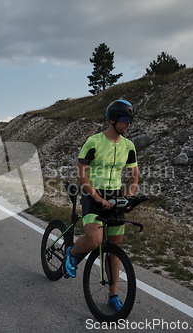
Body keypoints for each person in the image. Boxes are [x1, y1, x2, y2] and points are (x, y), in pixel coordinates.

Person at [64, 99, 139, 311]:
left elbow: (134, 177)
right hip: (93, 195)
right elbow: (81, 172)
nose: (128, 124)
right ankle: (72, 253)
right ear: (113, 119)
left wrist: (128, 197)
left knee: (114, 248)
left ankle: (113, 295)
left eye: (131, 119)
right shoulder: (94, 141)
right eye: (125, 119)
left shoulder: (128, 146)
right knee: (95, 239)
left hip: (115, 196)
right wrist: (96, 197)